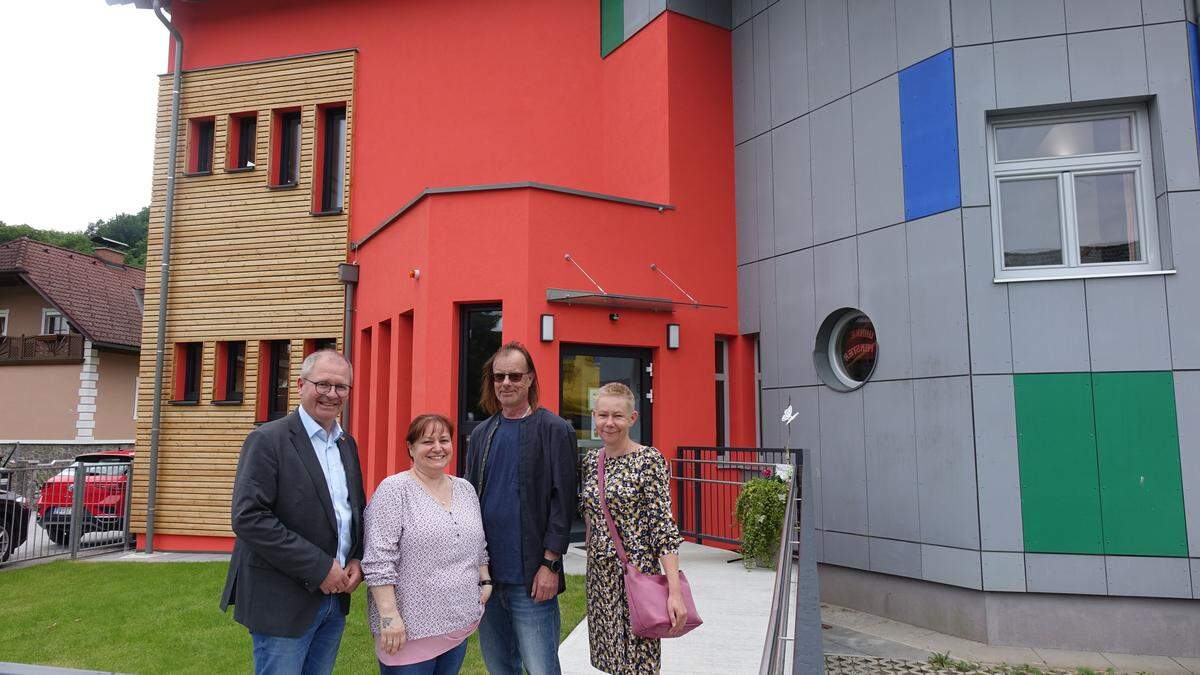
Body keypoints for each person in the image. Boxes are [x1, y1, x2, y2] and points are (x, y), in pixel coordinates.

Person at [220, 349, 366, 675]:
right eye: (323, 384)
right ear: (300, 384)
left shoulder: (346, 444)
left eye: (341, 387)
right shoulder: (268, 440)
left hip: (334, 598)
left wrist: (356, 557)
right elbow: (249, 518)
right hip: (282, 602)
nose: (332, 394)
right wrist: (319, 568)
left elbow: (352, 510)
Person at [465, 341, 576, 675]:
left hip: (532, 577)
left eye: (515, 375)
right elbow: (469, 501)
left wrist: (550, 564)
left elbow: (563, 503)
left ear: (530, 379)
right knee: (499, 667)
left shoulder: (555, 429)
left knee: (541, 668)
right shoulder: (483, 434)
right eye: (499, 377)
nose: (506, 383)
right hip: (487, 578)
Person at [362, 413, 491, 674]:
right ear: (410, 447)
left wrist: (485, 579)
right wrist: (389, 617)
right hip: (407, 631)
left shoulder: (465, 489)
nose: (437, 448)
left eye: (444, 440)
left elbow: (479, 544)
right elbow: (378, 559)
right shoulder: (394, 490)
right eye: (427, 441)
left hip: (458, 622)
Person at [579, 382, 686, 675]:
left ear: (632, 418)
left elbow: (663, 528)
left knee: (639, 664)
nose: (609, 423)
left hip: (636, 577)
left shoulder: (648, 461)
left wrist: (673, 591)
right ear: (594, 416)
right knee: (610, 661)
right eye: (603, 415)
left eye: (617, 416)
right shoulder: (591, 462)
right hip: (600, 580)